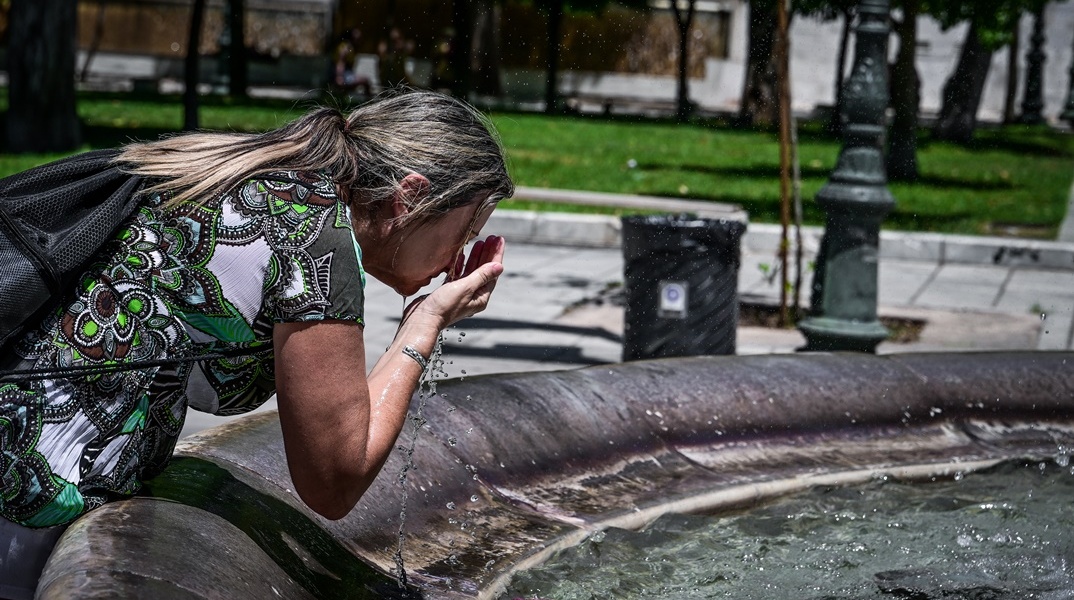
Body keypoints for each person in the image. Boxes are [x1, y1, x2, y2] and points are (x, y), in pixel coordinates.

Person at [0, 89, 513, 598]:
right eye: (466, 230)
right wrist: (425, 322)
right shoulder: (316, 239)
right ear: (411, 196)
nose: (458, 258)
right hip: (29, 500)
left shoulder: (267, 178)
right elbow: (334, 481)